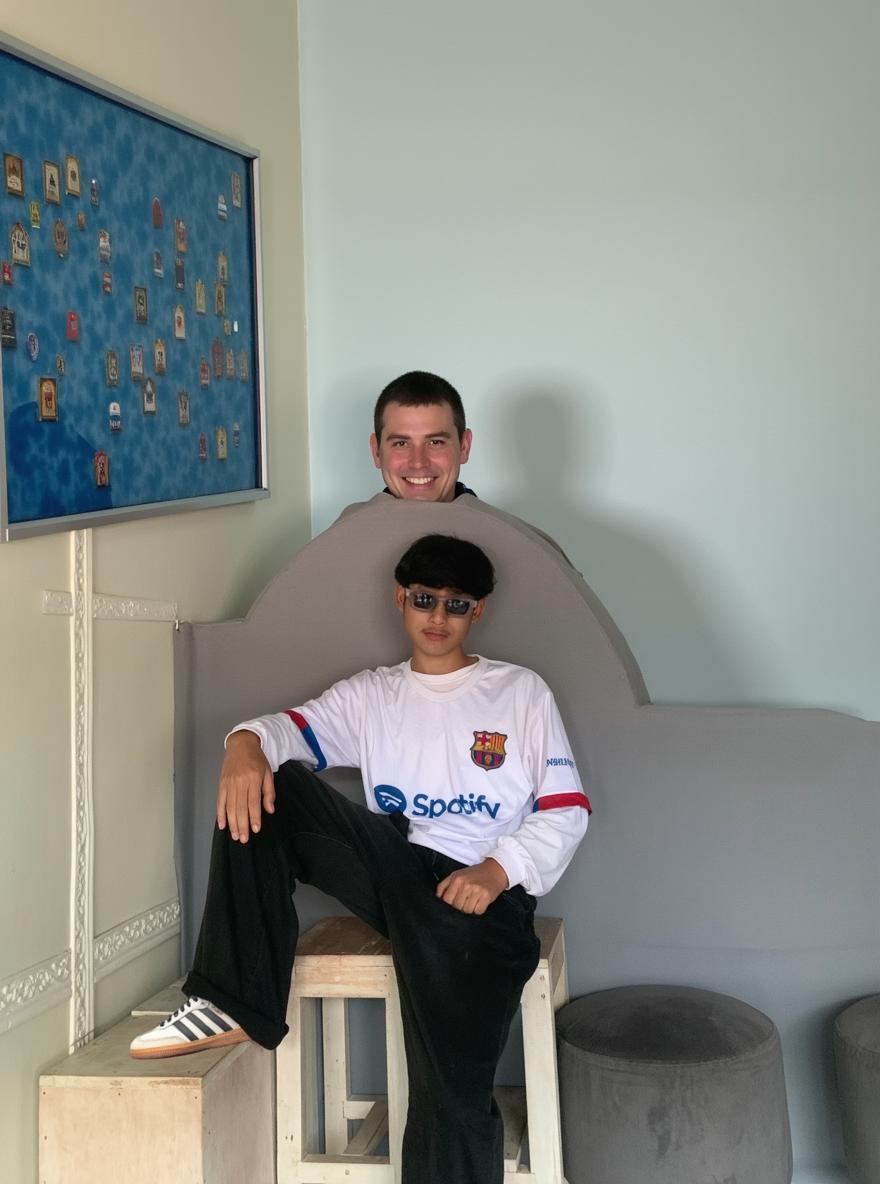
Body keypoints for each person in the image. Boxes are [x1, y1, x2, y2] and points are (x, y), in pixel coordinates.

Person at [130, 533, 590, 1184]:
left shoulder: (520, 693)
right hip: (397, 867)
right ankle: (234, 999)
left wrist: (497, 871)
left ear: (477, 612)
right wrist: (244, 743)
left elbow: (567, 808)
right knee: (275, 782)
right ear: (400, 598)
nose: (437, 617)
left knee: (450, 1091)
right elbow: (288, 731)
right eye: (424, 599)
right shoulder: (373, 695)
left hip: (483, 896)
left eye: (456, 605)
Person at [370, 370, 475, 502]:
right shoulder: (350, 523)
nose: (418, 463)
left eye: (435, 442)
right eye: (401, 443)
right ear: (376, 452)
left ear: (464, 447)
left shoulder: (500, 523)